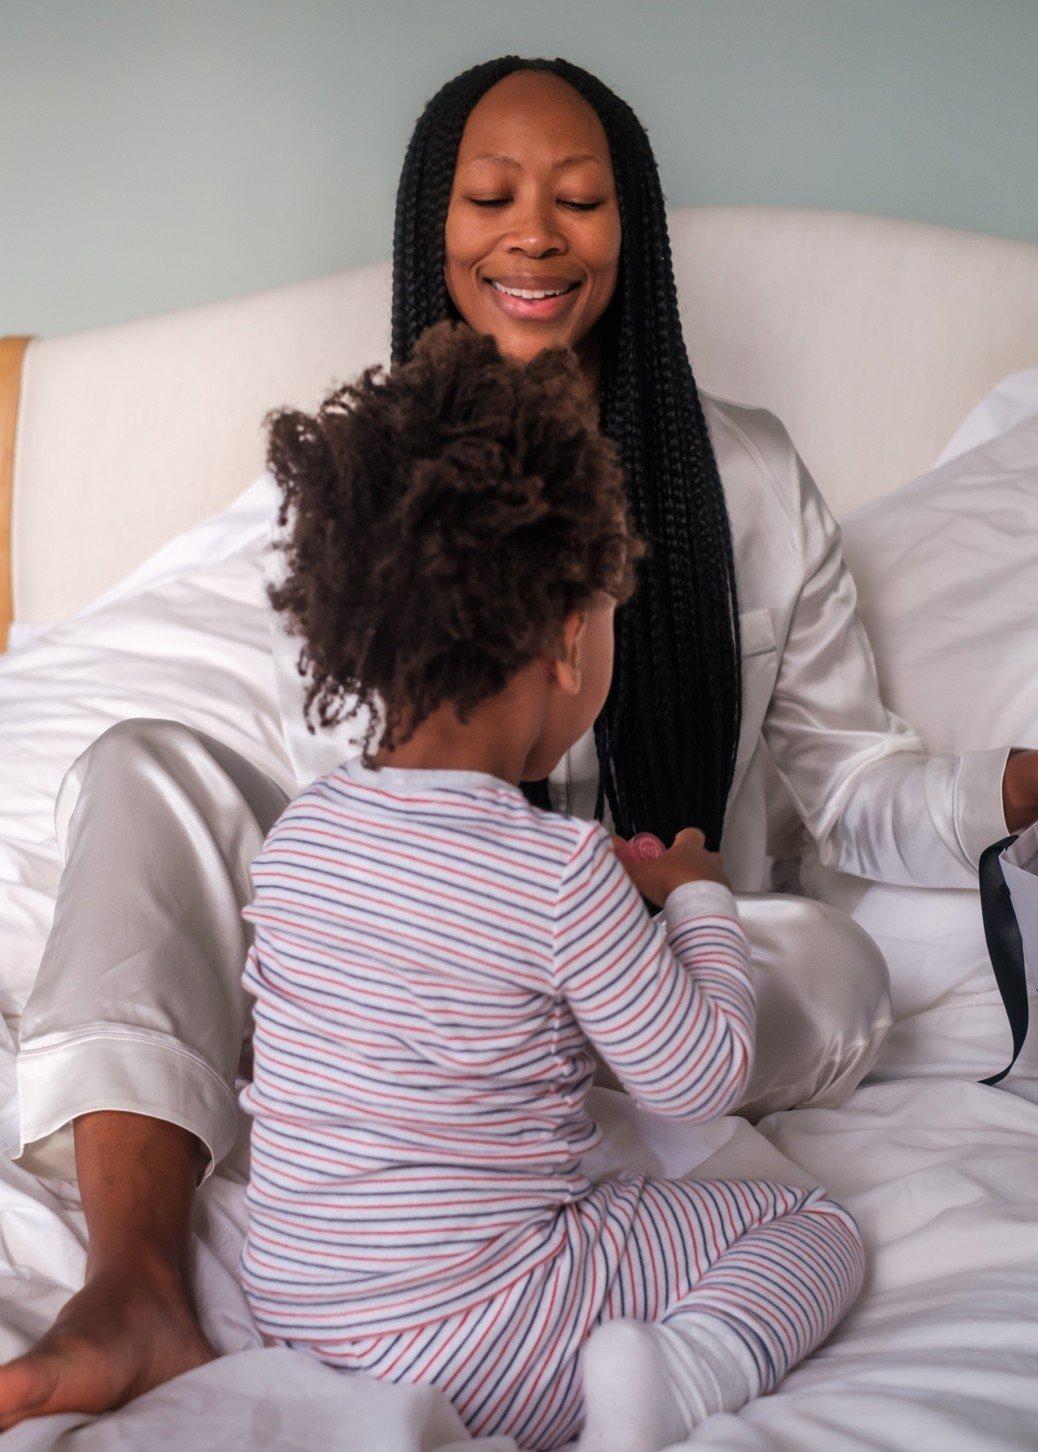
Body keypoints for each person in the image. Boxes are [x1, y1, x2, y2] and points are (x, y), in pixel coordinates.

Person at [1, 54, 1038, 1429]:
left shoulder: (745, 478)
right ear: (430, 228)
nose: (532, 233)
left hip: (662, 961)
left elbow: (844, 777)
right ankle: (135, 1279)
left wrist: (1015, 784)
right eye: (491, 196)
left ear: (629, 231)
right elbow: (331, 773)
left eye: (577, 198)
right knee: (139, 764)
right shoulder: (364, 486)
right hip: (420, 973)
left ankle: (514, 1131)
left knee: (835, 955)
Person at [240, 315, 864, 1452]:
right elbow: (697, 1078)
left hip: (295, 1311)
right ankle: (672, 1379)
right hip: (486, 1341)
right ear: (569, 645)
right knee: (808, 1226)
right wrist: (695, 894)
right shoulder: (557, 873)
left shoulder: (301, 840)